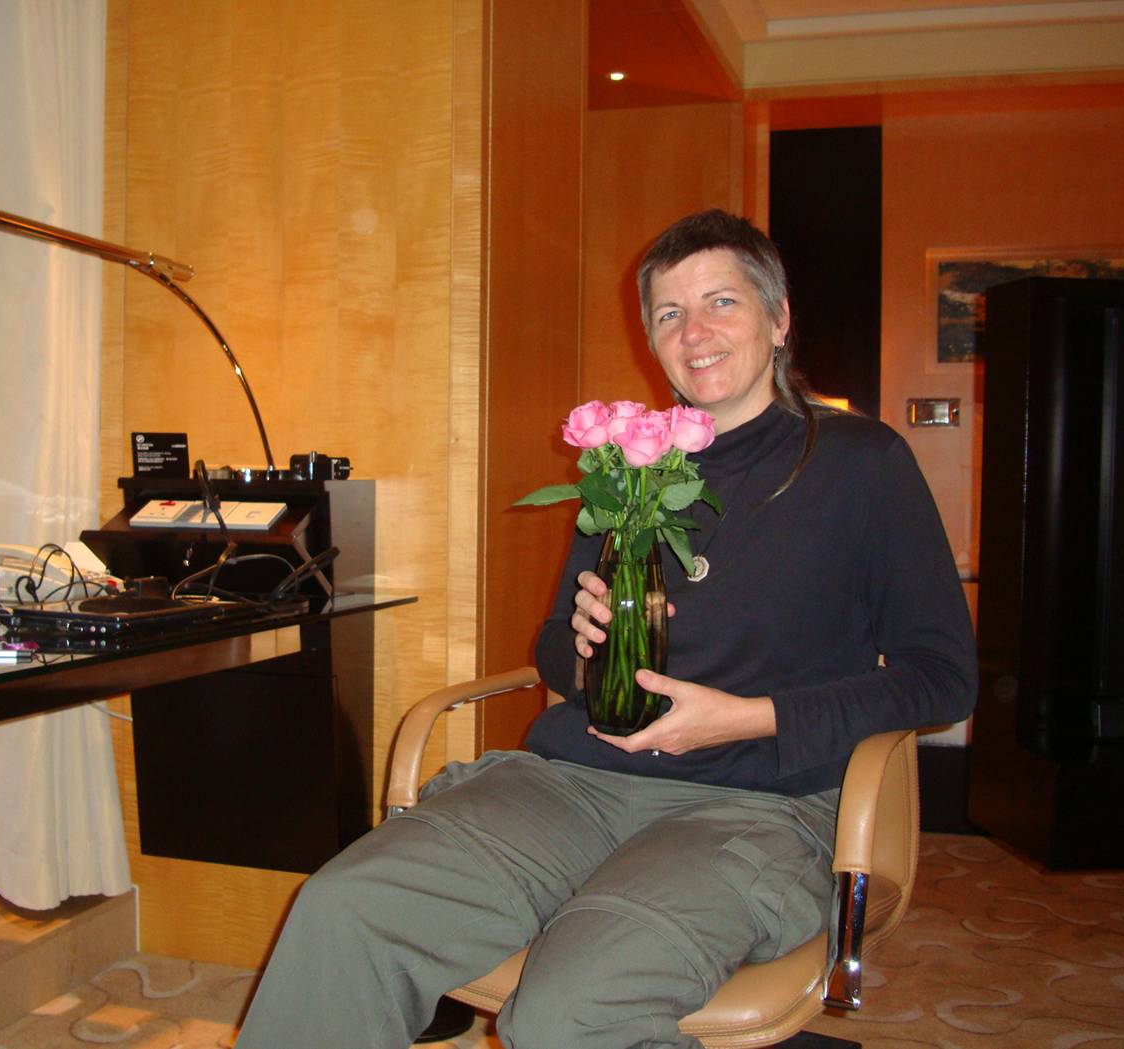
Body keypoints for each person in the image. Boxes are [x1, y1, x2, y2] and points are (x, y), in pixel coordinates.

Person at [235, 209, 977, 1049]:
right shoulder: (628, 465)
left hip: (754, 804)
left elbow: (942, 677)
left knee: (568, 1010)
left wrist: (747, 715)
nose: (694, 332)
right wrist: (584, 648)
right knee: (343, 908)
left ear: (777, 320)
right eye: (668, 314)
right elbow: (552, 645)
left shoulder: (859, 463)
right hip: (573, 785)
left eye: (721, 303)